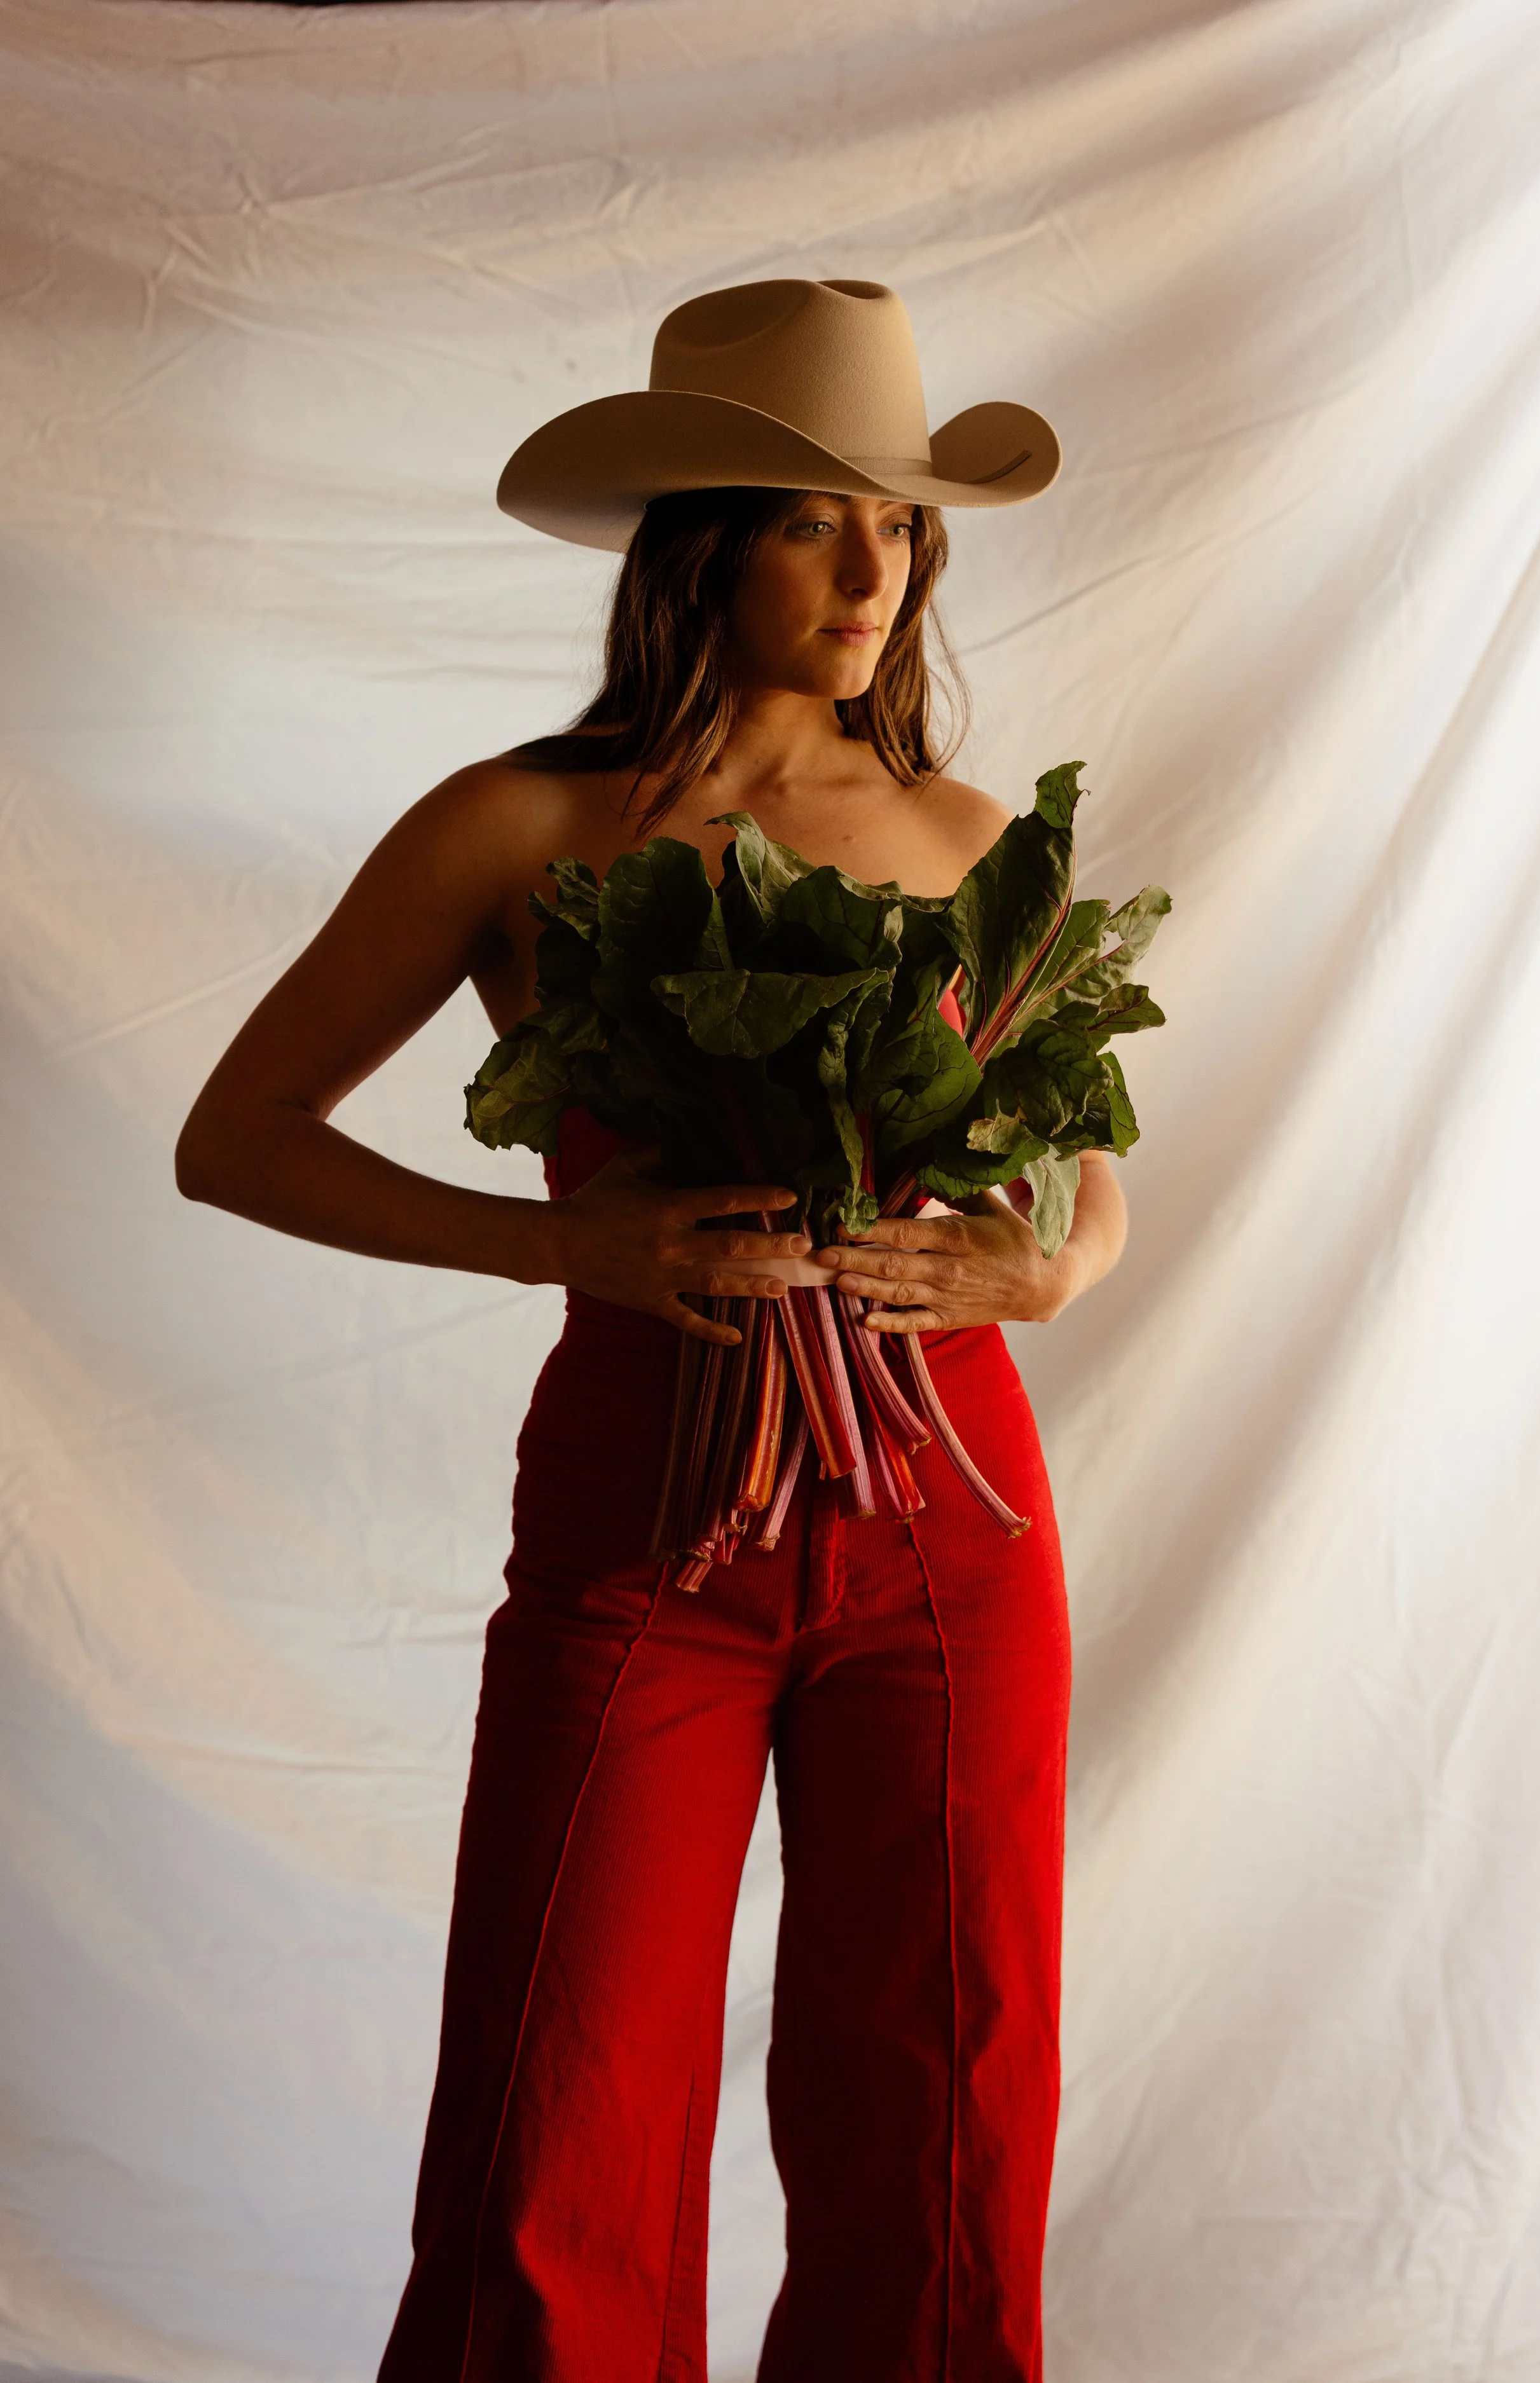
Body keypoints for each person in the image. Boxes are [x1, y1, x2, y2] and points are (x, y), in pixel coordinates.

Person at [176, 278, 1128, 2383]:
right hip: (646, 1504)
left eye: (902, 522)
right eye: (818, 520)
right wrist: (557, 1251)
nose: (880, 569)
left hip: (946, 1520)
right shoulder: (517, 827)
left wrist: (1040, 1265)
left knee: (944, 2109)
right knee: (557, 2103)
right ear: (699, 538)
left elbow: (1089, 1176)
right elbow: (233, 1139)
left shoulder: (983, 848)